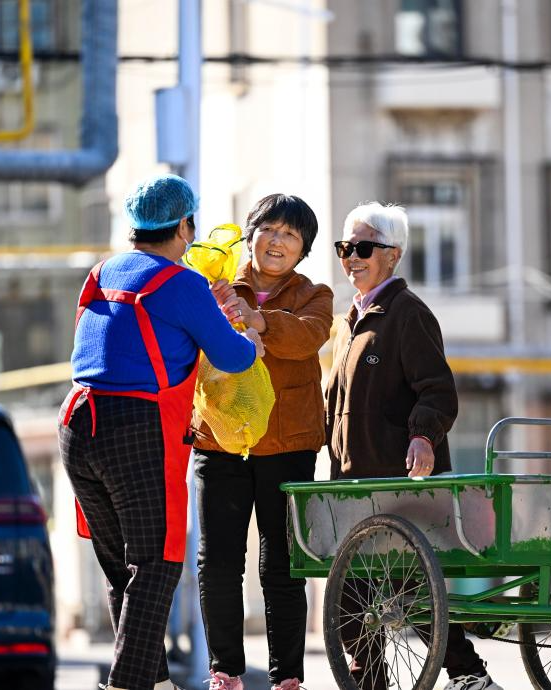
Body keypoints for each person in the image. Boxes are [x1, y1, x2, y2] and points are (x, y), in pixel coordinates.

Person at [59, 174, 264, 690]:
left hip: (78, 422)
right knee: (157, 565)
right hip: (135, 426)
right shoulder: (181, 282)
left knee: (122, 571)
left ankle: (155, 683)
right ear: (183, 225)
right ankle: (127, 687)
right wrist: (250, 339)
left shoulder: (101, 273)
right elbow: (232, 355)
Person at [325, 202, 503, 690]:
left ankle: (468, 675)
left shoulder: (408, 314)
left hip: (400, 485)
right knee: (351, 595)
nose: (351, 258)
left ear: (392, 254)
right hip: (353, 485)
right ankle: (370, 679)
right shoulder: (348, 323)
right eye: (345, 248)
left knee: (412, 591)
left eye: (362, 248)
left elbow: (438, 391)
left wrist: (423, 437)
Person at [192, 194, 334, 690]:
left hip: (289, 445)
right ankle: (225, 672)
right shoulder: (215, 286)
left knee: (281, 565)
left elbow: (310, 335)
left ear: (303, 250)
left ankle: (288, 678)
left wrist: (258, 320)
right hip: (220, 442)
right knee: (220, 562)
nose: (277, 242)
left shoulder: (316, 295)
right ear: (250, 235)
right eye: (269, 229)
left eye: (290, 235)